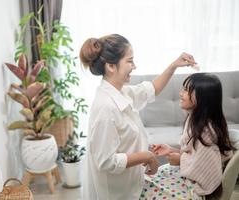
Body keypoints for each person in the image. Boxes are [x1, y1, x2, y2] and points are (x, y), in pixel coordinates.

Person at [79, 34, 196, 200]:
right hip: (118, 193)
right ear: (111, 66)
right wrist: (146, 156)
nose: (134, 66)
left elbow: (151, 90)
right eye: (130, 61)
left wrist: (174, 65)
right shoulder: (106, 108)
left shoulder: (121, 92)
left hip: (134, 183)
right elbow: (106, 162)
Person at [140, 73, 236, 200]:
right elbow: (195, 155)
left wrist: (180, 160)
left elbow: (205, 169)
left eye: (186, 90)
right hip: (188, 178)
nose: (181, 93)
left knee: (143, 189)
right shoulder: (194, 119)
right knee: (143, 181)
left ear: (202, 97)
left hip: (197, 190)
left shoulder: (206, 131)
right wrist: (171, 150)